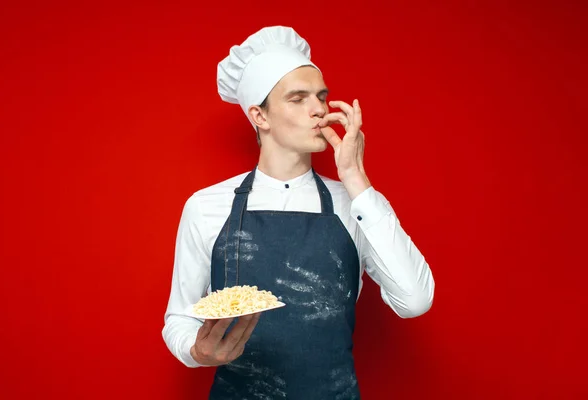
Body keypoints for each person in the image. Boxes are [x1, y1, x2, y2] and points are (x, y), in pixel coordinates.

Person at [162, 26, 435, 399]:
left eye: (322, 96)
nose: (319, 109)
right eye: (298, 98)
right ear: (260, 116)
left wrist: (356, 179)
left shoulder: (352, 203)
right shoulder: (207, 206)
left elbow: (415, 300)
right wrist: (196, 350)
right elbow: (179, 318)